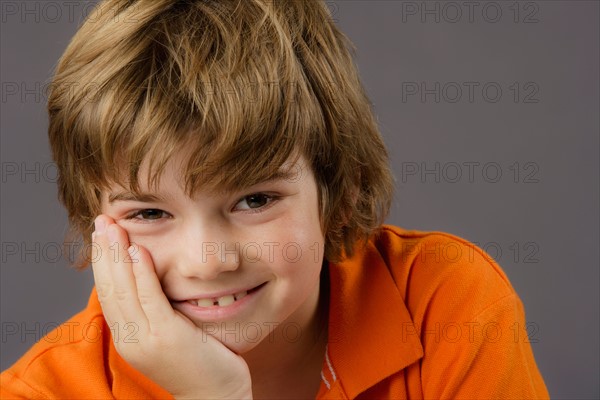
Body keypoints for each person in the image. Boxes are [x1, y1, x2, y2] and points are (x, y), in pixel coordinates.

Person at [0, 0, 550, 398]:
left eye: (255, 200)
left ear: (339, 190)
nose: (209, 261)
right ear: (95, 224)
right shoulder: (45, 391)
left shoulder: (445, 306)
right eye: (148, 212)